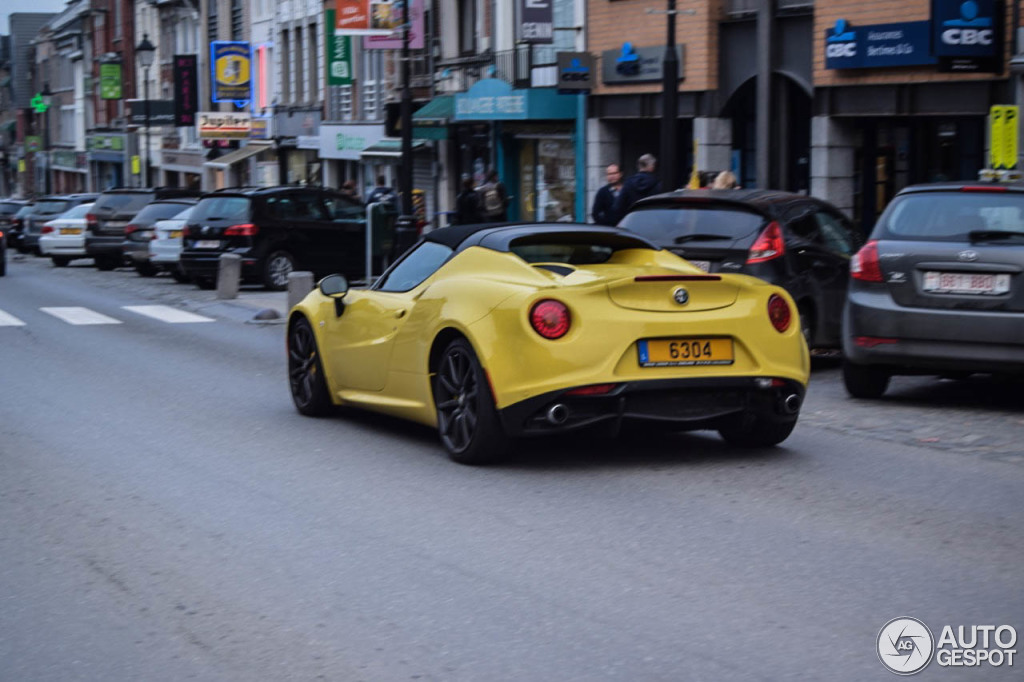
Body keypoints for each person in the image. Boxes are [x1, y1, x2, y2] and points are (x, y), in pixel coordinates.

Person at [612, 153, 662, 222]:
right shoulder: (657, 183)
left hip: (632, 223)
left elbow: (617, 207)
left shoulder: (628, 183)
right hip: (653, 222)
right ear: (652, 166)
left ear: (638, 166)